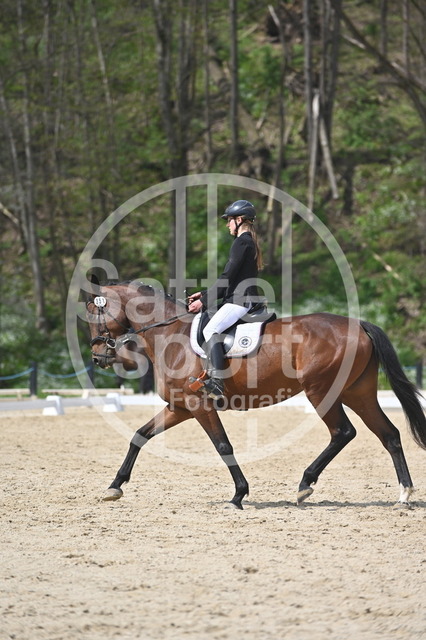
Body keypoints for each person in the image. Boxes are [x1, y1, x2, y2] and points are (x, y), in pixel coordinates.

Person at [188, 199, 263, 399]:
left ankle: (217, 381)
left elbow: (227, 276)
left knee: (210, 329)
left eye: (229, 220)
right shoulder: (249, 242)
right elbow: (234, 278)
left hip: (240, 299)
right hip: (241, 296)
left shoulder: (242, 242)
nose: (227, 224)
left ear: (239, 220)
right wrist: (205, 294)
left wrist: (204, 302)